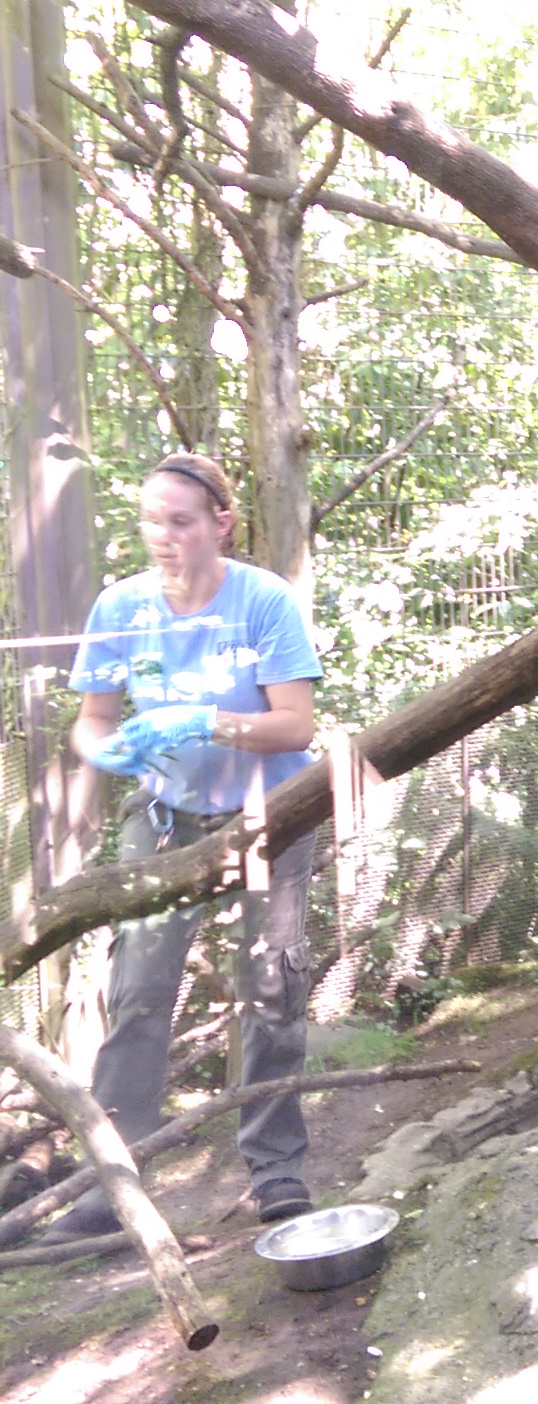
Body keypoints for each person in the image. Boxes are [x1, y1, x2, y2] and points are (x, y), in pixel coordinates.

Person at [56, 453, 322, 1236]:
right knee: (137, 992)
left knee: (271, 987)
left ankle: (275, 1169)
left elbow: (295, 726)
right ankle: (111, 1187)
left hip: (268, 814)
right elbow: (92, 720)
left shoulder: (262, 601)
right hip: (165, 816)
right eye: (152, 521)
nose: (162, 536)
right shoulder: (121, 606)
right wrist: (107, 750)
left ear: (221, 524)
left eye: (180, 521)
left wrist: (203, 721)